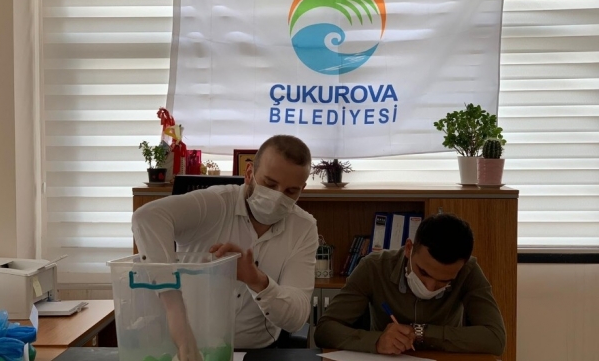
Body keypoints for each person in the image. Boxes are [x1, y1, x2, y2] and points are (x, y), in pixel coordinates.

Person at [132, 134, 319, 358]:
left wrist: (257, 280)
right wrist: (176, 314)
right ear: (249, 173)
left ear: (302, 189)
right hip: (189, 349)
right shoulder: (217, 203)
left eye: (291, 191)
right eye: (270, 184)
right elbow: (147, 217)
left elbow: (296, 318)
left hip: (257, 352)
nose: (278, 197)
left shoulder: (303, 228)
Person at [314, 213, 506, 356]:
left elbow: (495, 339)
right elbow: (325, 330)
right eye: (424, 273)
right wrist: (377, 341)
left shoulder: (469, 271)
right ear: (409, 249)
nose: (430, 287)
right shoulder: (374, 267)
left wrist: (421, 333)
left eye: (444, 281)